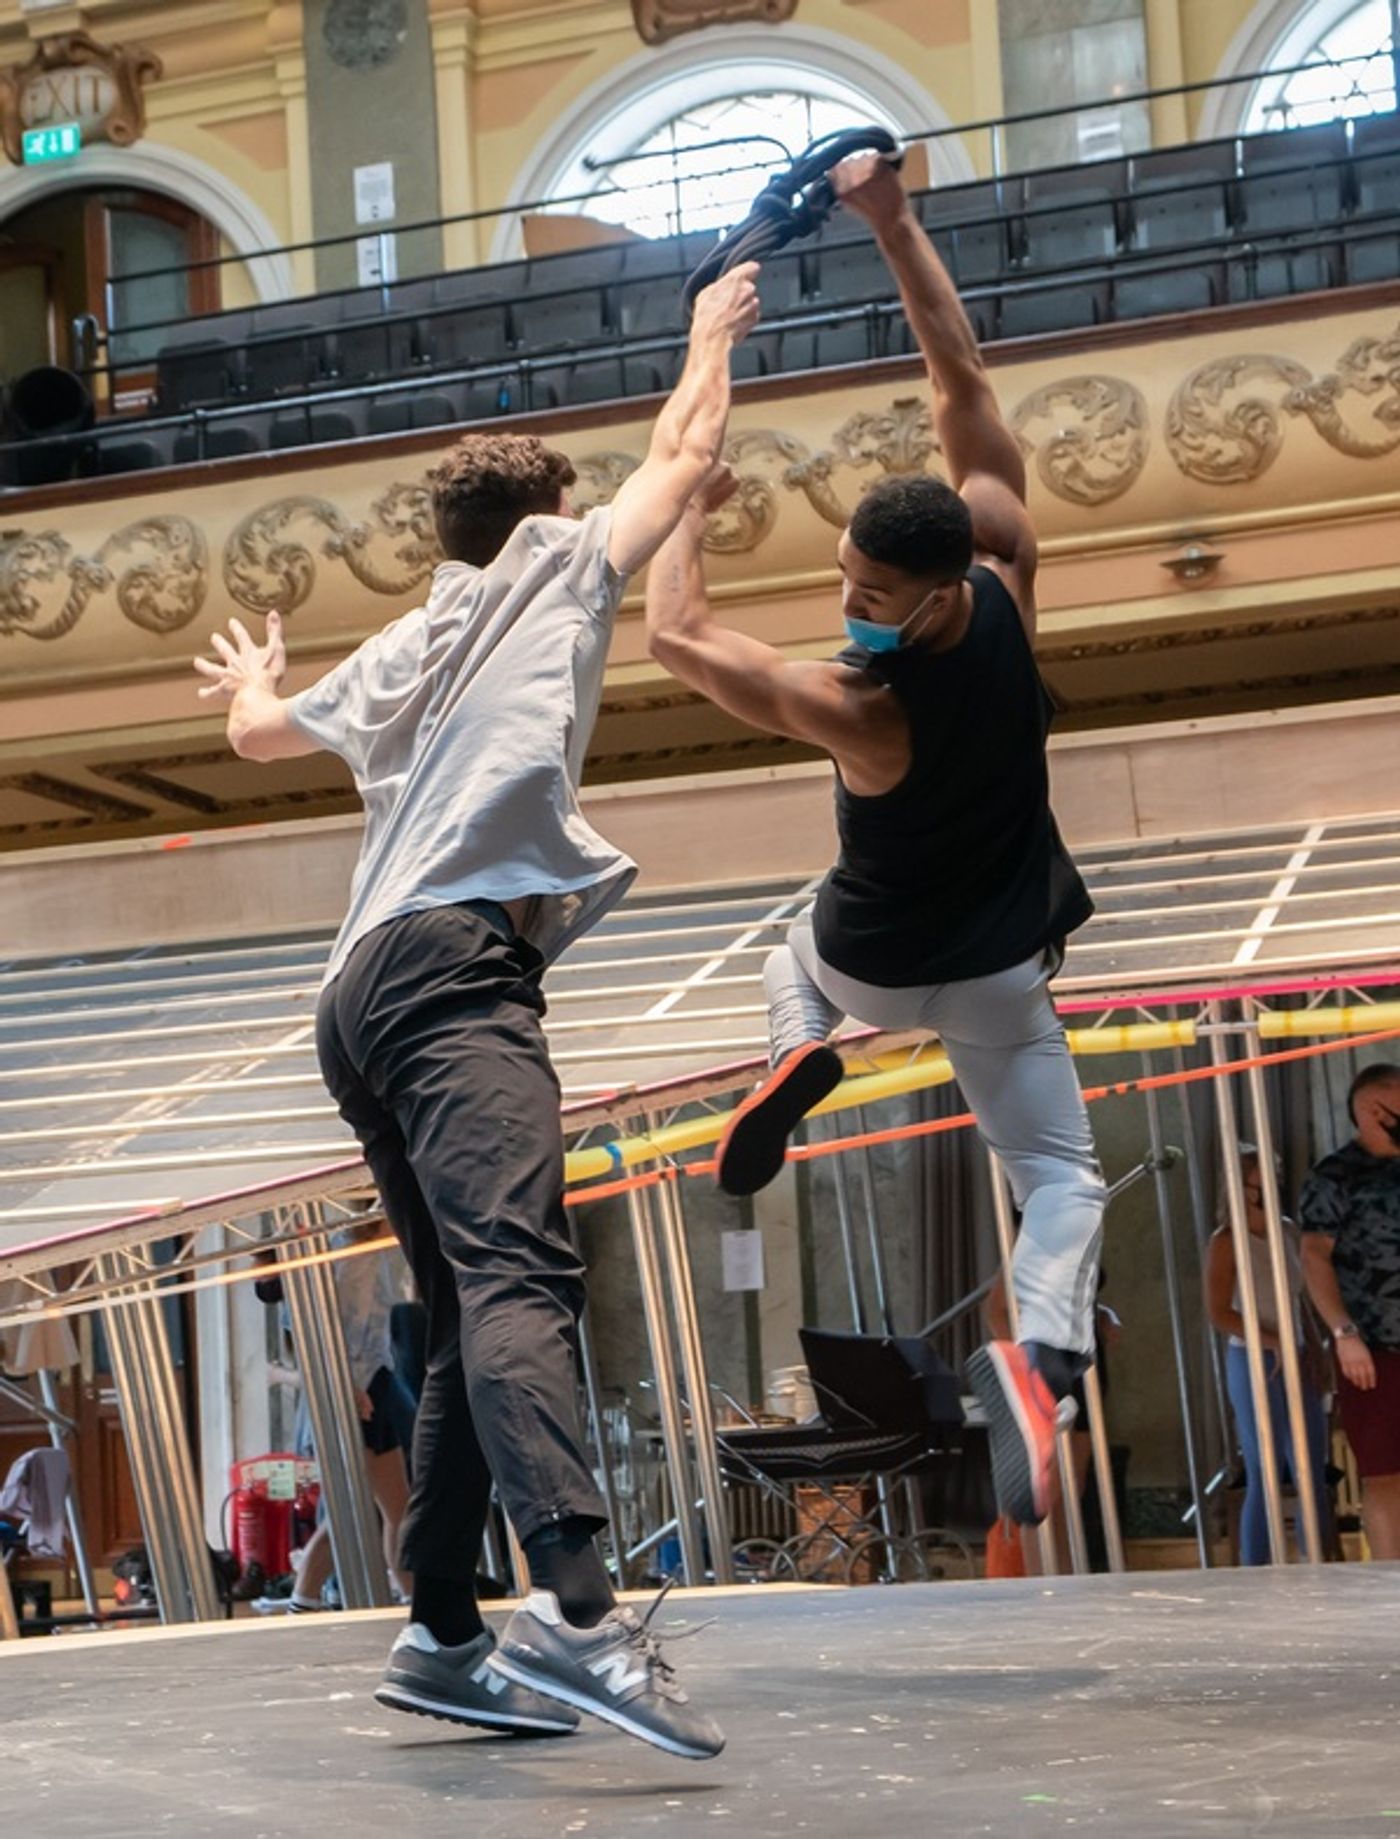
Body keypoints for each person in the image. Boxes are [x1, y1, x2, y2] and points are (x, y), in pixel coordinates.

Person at [194, 261, 760, 1761]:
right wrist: (710, 328)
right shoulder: (559, 566)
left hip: (357, 988)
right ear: (545, 520)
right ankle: (580, 1615)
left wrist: (260, 680)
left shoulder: (407, 642)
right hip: (452, 970)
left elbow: (258, 734)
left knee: (459, 1308)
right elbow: (687, 456)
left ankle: (443, 1631)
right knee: (523, 1278)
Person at [644, 151, 1104, 1530]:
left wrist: (690, 516)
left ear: (924, 586)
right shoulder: (1009, 569)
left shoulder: (859, 704)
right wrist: (895, 224)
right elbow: (959, 376)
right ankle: (1050, 1359)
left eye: (866, 590)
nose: (848, 599)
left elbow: (675, 635)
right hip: (1005, 963)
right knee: (1059, 1175)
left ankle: (799, 1041)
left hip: (871, 962)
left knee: (795, 942)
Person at [1205, 1146, 1332, 1565]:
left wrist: (1315, 1351)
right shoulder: (1227, 1241)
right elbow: (1219, 1311)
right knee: (1265, 1469)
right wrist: (1272, 1341)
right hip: (1254, 1357)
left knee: (1311, 1465)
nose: (1267, 1188)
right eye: (1258, 1181)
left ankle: (1318, 1557)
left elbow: (1300, 1302)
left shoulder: (1287, 1230)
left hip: (1296, 1352)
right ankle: (1255, 1567)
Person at [1299, 1062, 1400, 1561]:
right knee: (1383, 1470)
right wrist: (1343, 1331)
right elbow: (1314, 1253)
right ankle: (1388, 1576)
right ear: (1369, 1110)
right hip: (1374, 1344)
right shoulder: (1335, 1174)